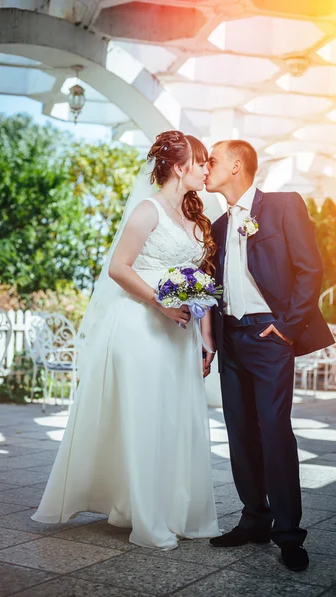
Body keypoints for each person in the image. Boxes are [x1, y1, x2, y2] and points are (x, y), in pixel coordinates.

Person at [32, 130, 220, 550]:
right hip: (141, 326)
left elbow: (202, 286)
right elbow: (119, 267)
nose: (207, 168)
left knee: (174, 418)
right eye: (202, 160)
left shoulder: (195, 217)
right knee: (144, 415)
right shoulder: (147, 210)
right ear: (179, 166)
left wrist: (206, 339)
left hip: (180, 333)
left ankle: (170, 508)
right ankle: (145, 516)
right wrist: (160, 303)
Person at [205, 139, 334, 571]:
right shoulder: (219, 226)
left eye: (213, 161)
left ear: (237, 164)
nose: (206, 168)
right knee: (239, 432)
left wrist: (288, 328)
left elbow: (310, 268)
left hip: (269, 336)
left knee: (275, 433)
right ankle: (253, 519)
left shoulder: (282, 206)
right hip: (231, 338)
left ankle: (289, 535)